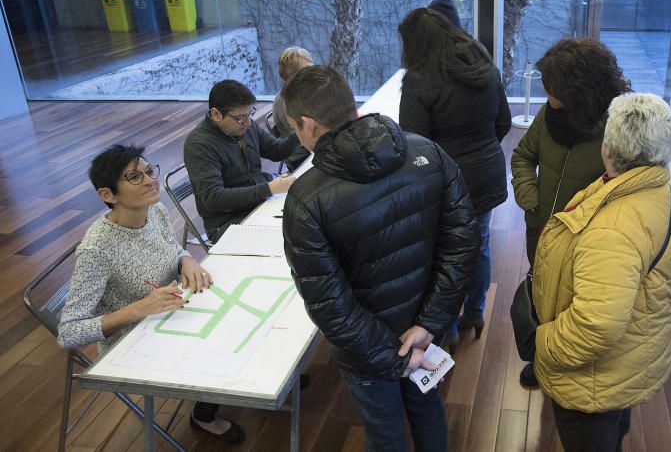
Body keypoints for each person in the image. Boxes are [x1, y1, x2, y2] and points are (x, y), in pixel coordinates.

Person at [280, 65, 478, 452]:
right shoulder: (426, 150)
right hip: (426, 327)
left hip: (367, 352)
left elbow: (329, 305)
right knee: (427, 407)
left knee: (384, 431)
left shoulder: (306, 198)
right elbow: (463, 241)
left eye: (293, 128)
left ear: (308, 124)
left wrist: (391, 358)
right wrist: (428, 324)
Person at [57, 144, 244, 444]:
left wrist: (187, 259)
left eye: (148, 171)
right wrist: (139, 308)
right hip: (133, 340)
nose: (149, 181)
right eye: (134, 177)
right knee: (225, 340)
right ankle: (205, 414)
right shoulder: (96, 250)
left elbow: (172, 248)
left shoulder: (154, 209)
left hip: (171, 313)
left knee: (239, 316)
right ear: (107, 195)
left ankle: (257, 386)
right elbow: (68, 333)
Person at [532, 93, 671, 452]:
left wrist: (544, 343)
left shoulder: (612, 230)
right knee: (613, 429)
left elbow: (595, 325)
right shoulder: (665, 191)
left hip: (595, 376)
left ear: (609, 147)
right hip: (634, 352)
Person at [510, 37, 631, 388]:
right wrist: (530, 199)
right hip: (541, 231)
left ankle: (566, 369)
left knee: (576, 309)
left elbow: (624, 193)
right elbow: (522, 157)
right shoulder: (550, 115)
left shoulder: (617, 130)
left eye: (554, 88)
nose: (547, 95)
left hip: (586, 244)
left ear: (579, 90)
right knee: (541, 297)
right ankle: (541, 359)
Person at [398, 8, 511, 346]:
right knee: (479, 245)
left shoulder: (420, 81)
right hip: (488, 173)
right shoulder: (485, 67)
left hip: (446, 183)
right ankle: (475, 311)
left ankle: (445, 331)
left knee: (444, 258)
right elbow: (503, 122)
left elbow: (413, 144)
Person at [183, 79, 299, 241]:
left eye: (250, 114)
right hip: (227, 222)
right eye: (240, 118)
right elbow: (213, 198)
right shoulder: (199, 145)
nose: (248, 122)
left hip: (259, 204)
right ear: (216, 114)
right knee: (291, 236)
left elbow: (277, 151)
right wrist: (268, 188)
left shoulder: (245, 126)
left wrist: (302, 128)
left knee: (307, 217)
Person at [271, 46, 314, 170]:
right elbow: (308, 137)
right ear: (294, 75)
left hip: (310, 149)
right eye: (308, 69)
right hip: (302, 158)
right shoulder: (285, 101)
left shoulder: (302, 91)